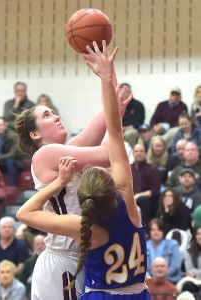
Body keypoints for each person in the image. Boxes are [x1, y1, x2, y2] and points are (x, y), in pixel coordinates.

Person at [16, 41, 151, 300]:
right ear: (34, 134)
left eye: (53, 112)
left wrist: (108, 73)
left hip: (88, 253)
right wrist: (113, 109)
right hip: (64, 260)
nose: (55, 116)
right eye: (46, 116)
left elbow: (110, 120)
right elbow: (107, 148)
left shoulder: (68, 149)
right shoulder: (46, 154)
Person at [0, 116, 26, 186]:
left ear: (5, 125)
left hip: (14, 162)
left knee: (10, 161)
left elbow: (14, 153)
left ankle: (12, 187)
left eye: (0, 125)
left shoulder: (13, 136)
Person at [131, 143, 161, 226]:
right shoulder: (128, 169)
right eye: (136, 151)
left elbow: (155, 191)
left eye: (141, 151)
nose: (139, 153)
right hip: (130, 199)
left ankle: (144, 229)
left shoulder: (152, 169)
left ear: (145, 153)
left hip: (148, 202)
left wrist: (137, 196)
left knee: (142, 200)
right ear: (133, 153)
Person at [146, 218, 182, 284]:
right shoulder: (144, 246)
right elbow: (142, 268)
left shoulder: (173, 245)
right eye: (153, 230)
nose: (156, 232)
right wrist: (148, 276)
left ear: (163, 231)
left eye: (159, 230)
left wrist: (160, 276)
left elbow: (175, 267)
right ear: (149, 232)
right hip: (149, 280)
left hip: (170, 279)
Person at [177, 226, 201, 296]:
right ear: (195, 236)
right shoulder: (188, 252)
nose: (200, 236)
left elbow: (193, 272)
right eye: (198, 234)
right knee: (188, 285)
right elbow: (189, 270)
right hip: (194, 281)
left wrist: (195, 274)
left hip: (195, 277)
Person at [121, 83, 145, 147]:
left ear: (131, 93)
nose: (125, 94)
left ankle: (128, 155)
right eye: (122, 92)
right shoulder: (116, 106)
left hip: (133, 130)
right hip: (119, 130)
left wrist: (125, 128)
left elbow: (139, 122)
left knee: (129, 134)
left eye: (127, 92)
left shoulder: (138, 105)